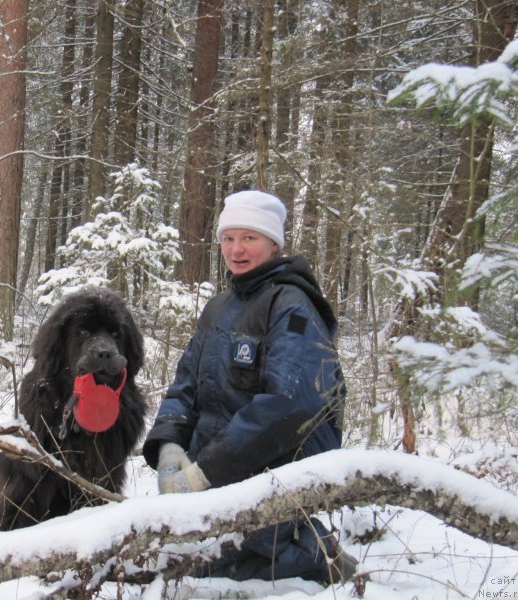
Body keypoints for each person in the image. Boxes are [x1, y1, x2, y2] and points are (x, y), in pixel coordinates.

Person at [142, 189, 357, 583]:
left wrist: (207, 471)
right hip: (216, 474)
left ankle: (325, 561)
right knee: (169, 561)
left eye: (249, 238)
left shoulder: (291, 305)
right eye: (228, 238)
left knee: (217, 569)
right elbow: (186, 382)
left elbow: (290, 404)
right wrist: (170, 446)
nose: (236, 250)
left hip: (270, 474)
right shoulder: (219, 307)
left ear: (274, 243)